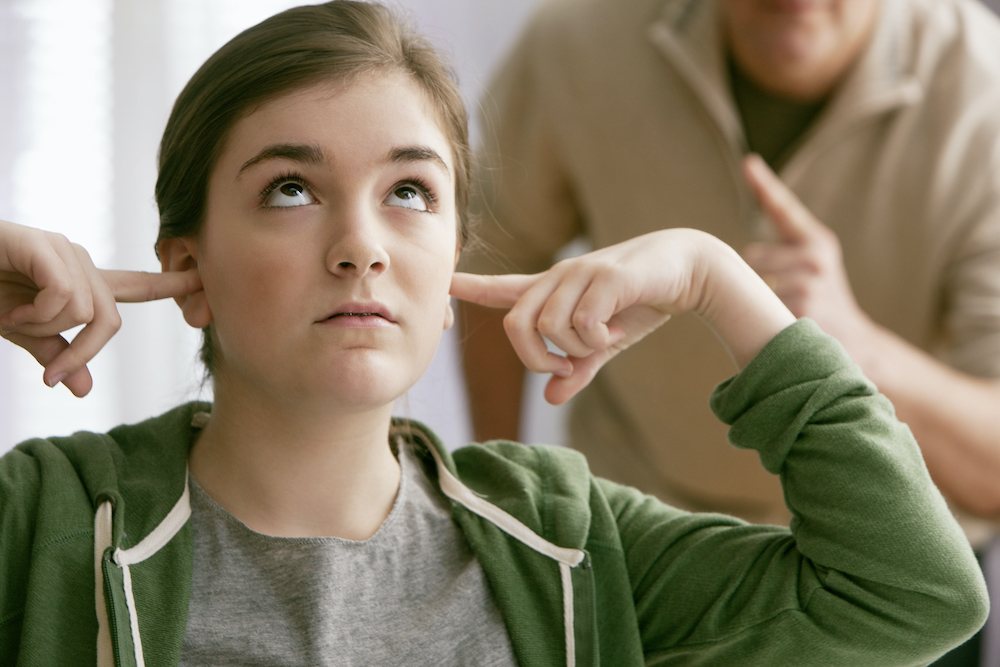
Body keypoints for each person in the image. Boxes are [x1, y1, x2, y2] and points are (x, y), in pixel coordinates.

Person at [0, 2, 988, 665]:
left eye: (409, 193)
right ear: (189, 267)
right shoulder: (43, 522)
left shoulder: (564, 538)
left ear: (451, 272)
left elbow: (914, 593)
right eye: (290, 189)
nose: (361, 246)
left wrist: (714, 274)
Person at [460, 0, 1000, 553]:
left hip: (882, 571)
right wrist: (501, 500)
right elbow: (493, 257)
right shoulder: (573, 40)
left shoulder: (987, 96)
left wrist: (861, 347)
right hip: (627, 537)